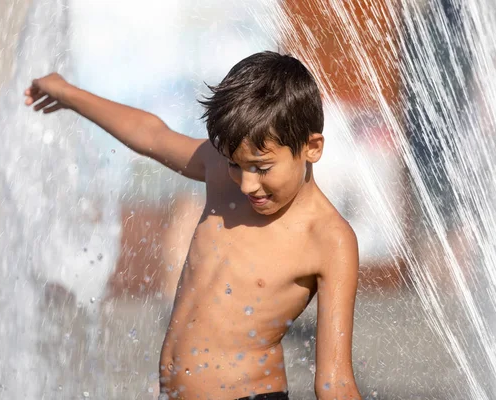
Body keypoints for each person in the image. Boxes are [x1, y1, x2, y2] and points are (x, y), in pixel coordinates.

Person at [24, 51, 362, 400]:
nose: (246, 185)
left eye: (261, 168)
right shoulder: (221, 171)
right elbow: (150, 133)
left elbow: (334, 382)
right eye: (235, 164)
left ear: (312, 147)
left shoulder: (328, 239)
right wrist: (68, 95)